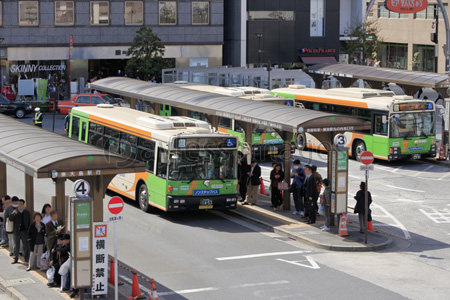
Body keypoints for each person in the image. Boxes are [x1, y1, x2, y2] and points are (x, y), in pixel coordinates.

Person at [9, 199, 30, 263]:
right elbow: (10, 218)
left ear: (23, 205)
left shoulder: (27, 212)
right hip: (16, 231)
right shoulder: (15, 211)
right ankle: (15, 258)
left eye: (21, 204)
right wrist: (14, 214)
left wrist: (28, 231)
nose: (19, 205)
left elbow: (29, 222)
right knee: (16, 245)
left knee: (25, 245)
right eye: (18, 204)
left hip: (24, 231)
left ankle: (26, 257)